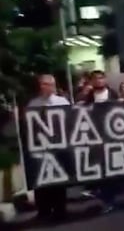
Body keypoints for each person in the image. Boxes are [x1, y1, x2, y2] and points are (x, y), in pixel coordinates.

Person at [28, 74, 70, 221]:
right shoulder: (34, 104)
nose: (44, 87)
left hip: (58, 147)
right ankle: (43, 210)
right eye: (42, 84)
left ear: (53, 85)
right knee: (41, 180)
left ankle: (60, 210)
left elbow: (69, 122)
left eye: (47, 84)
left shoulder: (62, 102)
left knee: (59, 180)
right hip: (41, 147)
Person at [82, 70, 119, 213]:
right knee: (101, 170)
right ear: (91, 81)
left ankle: (110, 198)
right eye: (95, 79)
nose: (98, 81)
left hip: (113, 136)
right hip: (96, 138)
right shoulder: (89, 98)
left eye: (101, 78)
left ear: (105, 80)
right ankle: (106, 199)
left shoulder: (113, 94)